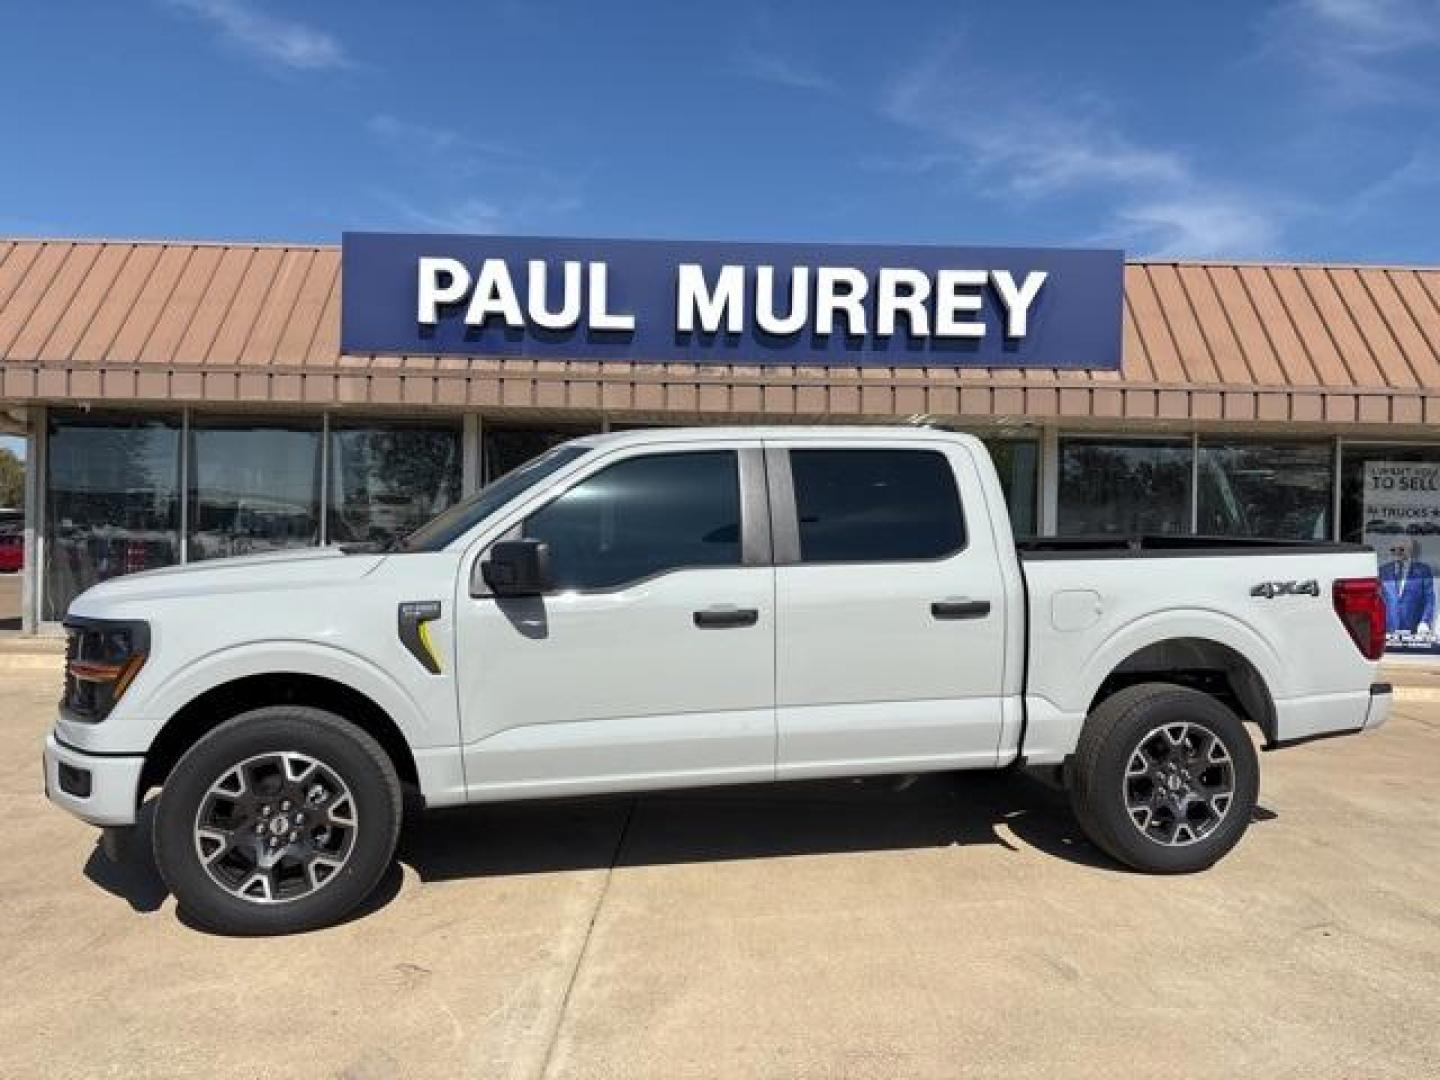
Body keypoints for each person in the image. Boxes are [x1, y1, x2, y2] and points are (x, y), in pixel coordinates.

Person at [1379, 537, 1435, 636]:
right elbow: (1378, 599)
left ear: (1410, 550)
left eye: (1401, 549)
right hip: (1388, 628)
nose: (1396, 552)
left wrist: (1425, 621)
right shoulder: (1383, 571)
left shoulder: (1423, 571)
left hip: (1415, 628)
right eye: (1393, 550)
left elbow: (1429, 600)